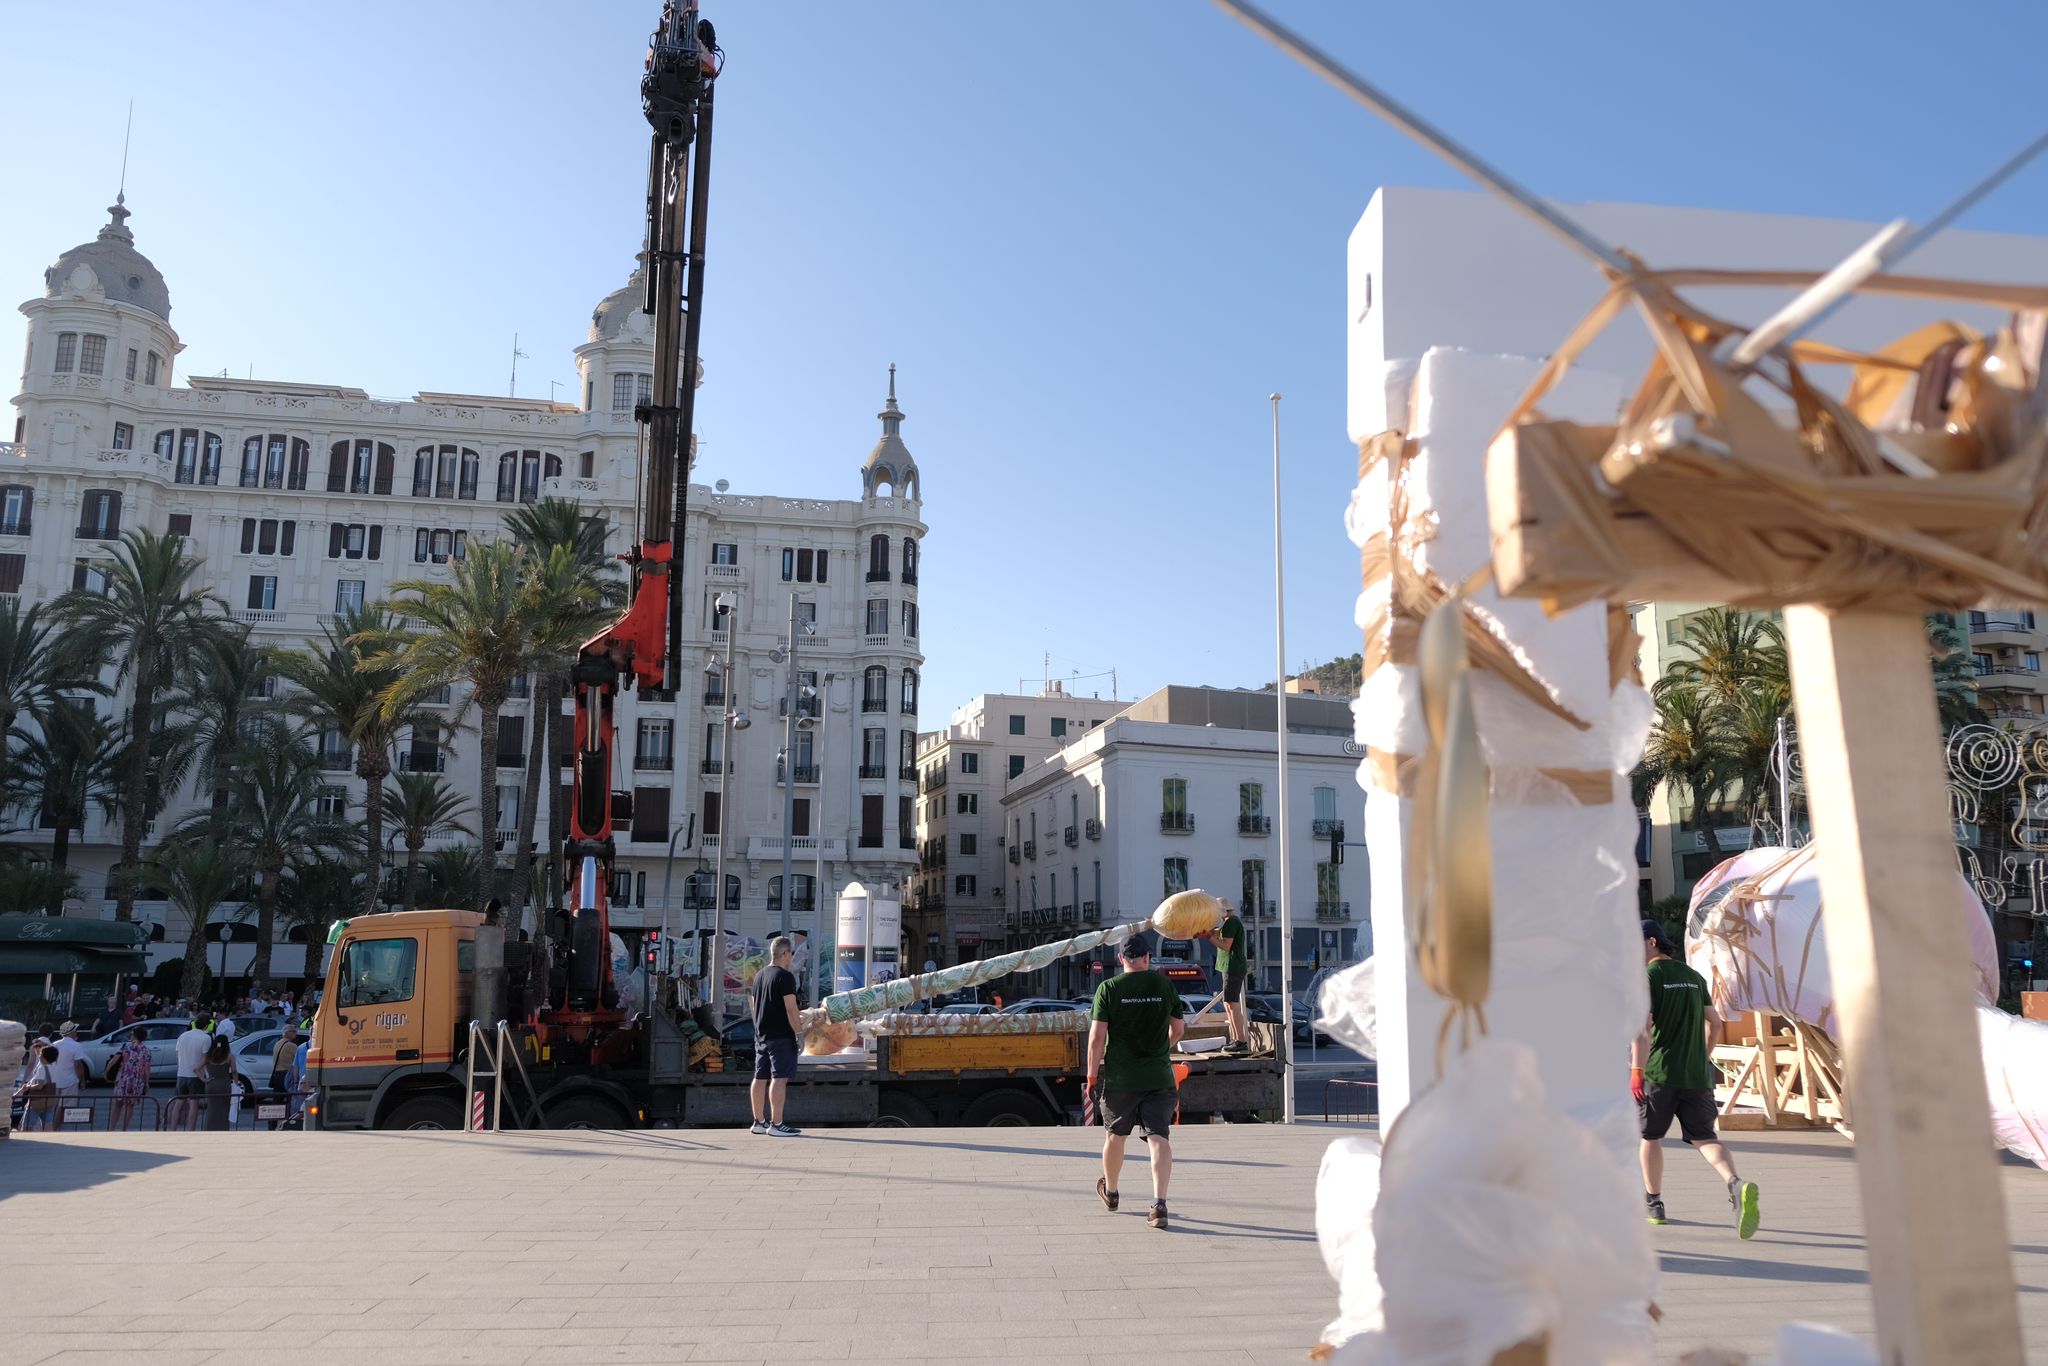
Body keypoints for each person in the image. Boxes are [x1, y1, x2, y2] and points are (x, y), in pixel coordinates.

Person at [1633, 919, 1760, 1238]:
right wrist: (1702, 1058)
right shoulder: (1693, 976)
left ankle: (1655, 1204)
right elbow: (1714, 1024)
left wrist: (1636, 1071)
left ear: (1651, 943)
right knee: (1705, 1138)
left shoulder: (1646, 978)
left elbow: (1642, 1029)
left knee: (1650, 1137)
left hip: (1659, 1073)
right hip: (1697, 1075)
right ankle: (1734, 1183)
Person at [1087, 932, 1185, 1230]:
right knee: (1158, 1137)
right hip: (1158, 1075)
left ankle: (1112, 1192)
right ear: (1147, 958)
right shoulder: (1164, 985)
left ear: (1121, 960)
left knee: (1115, 1136)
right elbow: (1179, 1029)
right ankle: (1159, 1204)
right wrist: (1162, 1047)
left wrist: (1092, 1075)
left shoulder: (1108, 988)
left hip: (1121, 1077)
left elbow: (1096, 1038)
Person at [748, 935, 802, 1137]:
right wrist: (799, 1033)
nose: (791, 957)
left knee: (759, 1077)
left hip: (761, 1035)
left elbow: (753, 1006)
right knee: (779, 1079)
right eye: (791, 953)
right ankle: (777, 1124)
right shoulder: (785, 977)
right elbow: (791, 1008)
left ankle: (758, 1122)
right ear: (786, 953)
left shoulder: (760, 975)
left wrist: (759, 1027)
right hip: (781, 1035)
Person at [1200, 902, 1251, 1054]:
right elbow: (1219, 932)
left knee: (1231, 1004)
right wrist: (1209, 932)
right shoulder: (1228, 923)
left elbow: (1225, 945)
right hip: (1230, 967)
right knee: (1229, 1004)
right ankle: (1237, 1039)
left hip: (1232, 967)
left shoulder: (1231, 923)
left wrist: (1209, 936)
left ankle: (1240, 1040)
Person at [111, 1029, 152, 1130]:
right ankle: (124, 1129)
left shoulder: (125, 1046)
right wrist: (147, 1083)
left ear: (134, 1036)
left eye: (132, 1034)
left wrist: (107, 1070)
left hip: (123, 1077)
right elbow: (147, 1068)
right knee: (130, 1105)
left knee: (118, 1104)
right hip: (137, 1080)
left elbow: (114, 1060)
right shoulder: (146, 1050)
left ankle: (111, 1128)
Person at [13, 1044, 59, 1132]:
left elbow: (39, 1085)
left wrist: (28, 1086)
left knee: (27, 1126)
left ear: (44, 1057)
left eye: (41, 1054)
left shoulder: (42, 1068)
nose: (39, 1056)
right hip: (49, 1100)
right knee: (48, 1125)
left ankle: (27, 1143)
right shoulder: (54, 1067)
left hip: (37, 1101)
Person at [49, 1022, 90, 1107]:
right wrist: (82, 1081)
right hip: (70, 1081)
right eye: (75, 1030)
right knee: (66, 1108)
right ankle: (58, 1121)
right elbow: (78, 1065)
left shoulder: (54, 1044)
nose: (76, 1032)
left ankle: (52, 1121)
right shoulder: (76, 1046)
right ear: (71, 1032)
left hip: (55, 1080)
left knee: (53, 1107)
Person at [202, 1034, 234, 1131]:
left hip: (211, 1084)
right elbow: (234, 1072)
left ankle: (209, 1128)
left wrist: (204, 1079)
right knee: (224, 1109)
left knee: (211, 1108)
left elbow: (196, 1069)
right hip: (224, 1084)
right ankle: (223, 1128)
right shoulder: (230, 1057)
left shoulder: (209, 1056)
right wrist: (236, 1083)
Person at [269, 1026, 298, 1096]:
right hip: (287, 1074)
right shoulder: (291, 1046)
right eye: (293, 1031)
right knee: (290, 1098)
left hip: (277, 1074)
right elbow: (298, 1060)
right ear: (286, 1033)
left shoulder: (277, 1043)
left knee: (278, 1099)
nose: (296, 1033)